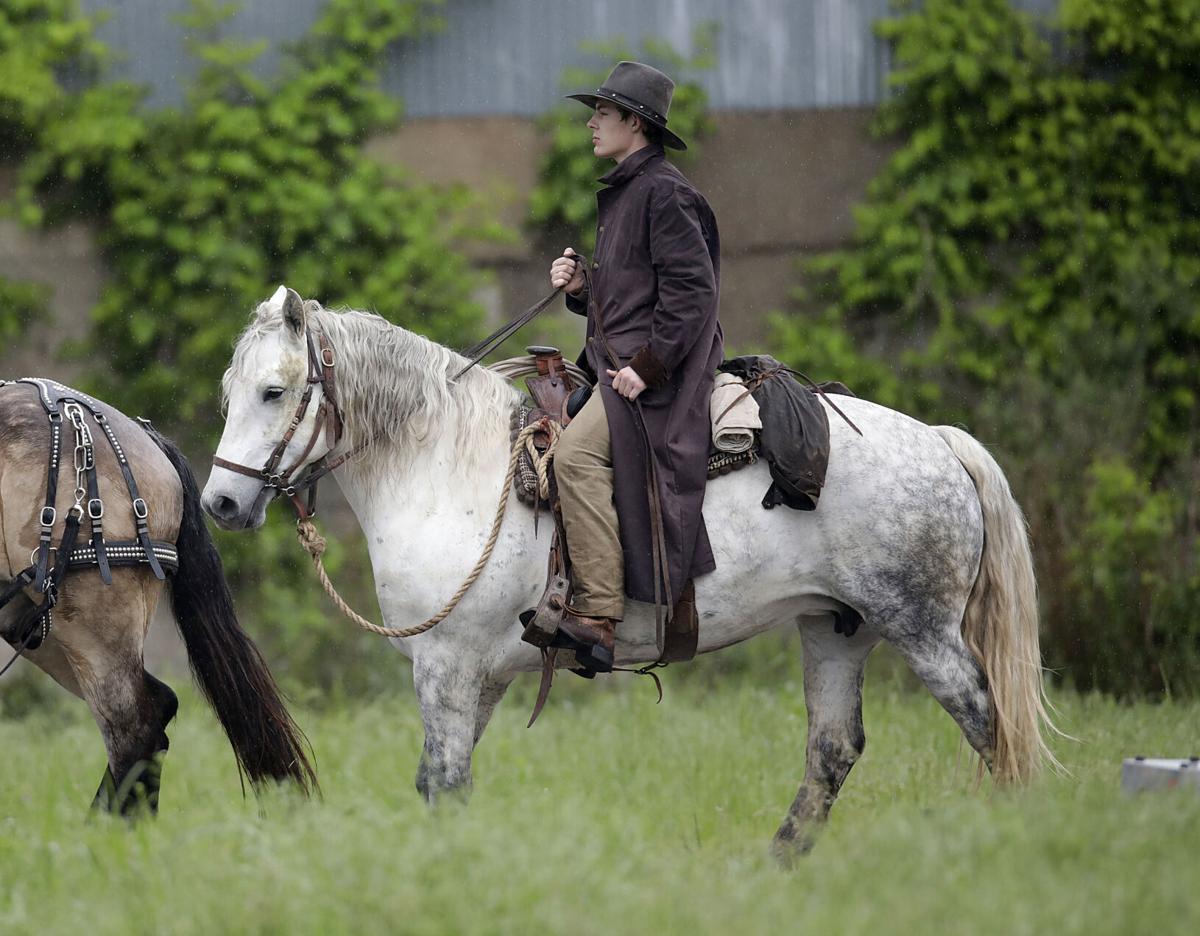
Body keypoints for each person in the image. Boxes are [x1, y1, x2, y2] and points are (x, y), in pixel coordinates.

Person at [545, 61, 723, 672]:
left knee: (573, 458)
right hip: (616, 364)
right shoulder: (629, 190)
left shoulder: (664, 192)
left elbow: (692, 293)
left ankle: (597, 614)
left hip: (655, 376)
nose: (591, 124)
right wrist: (581, 287)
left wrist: (649, 367)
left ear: (635, 124)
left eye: (602, 113)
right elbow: (632, 296)